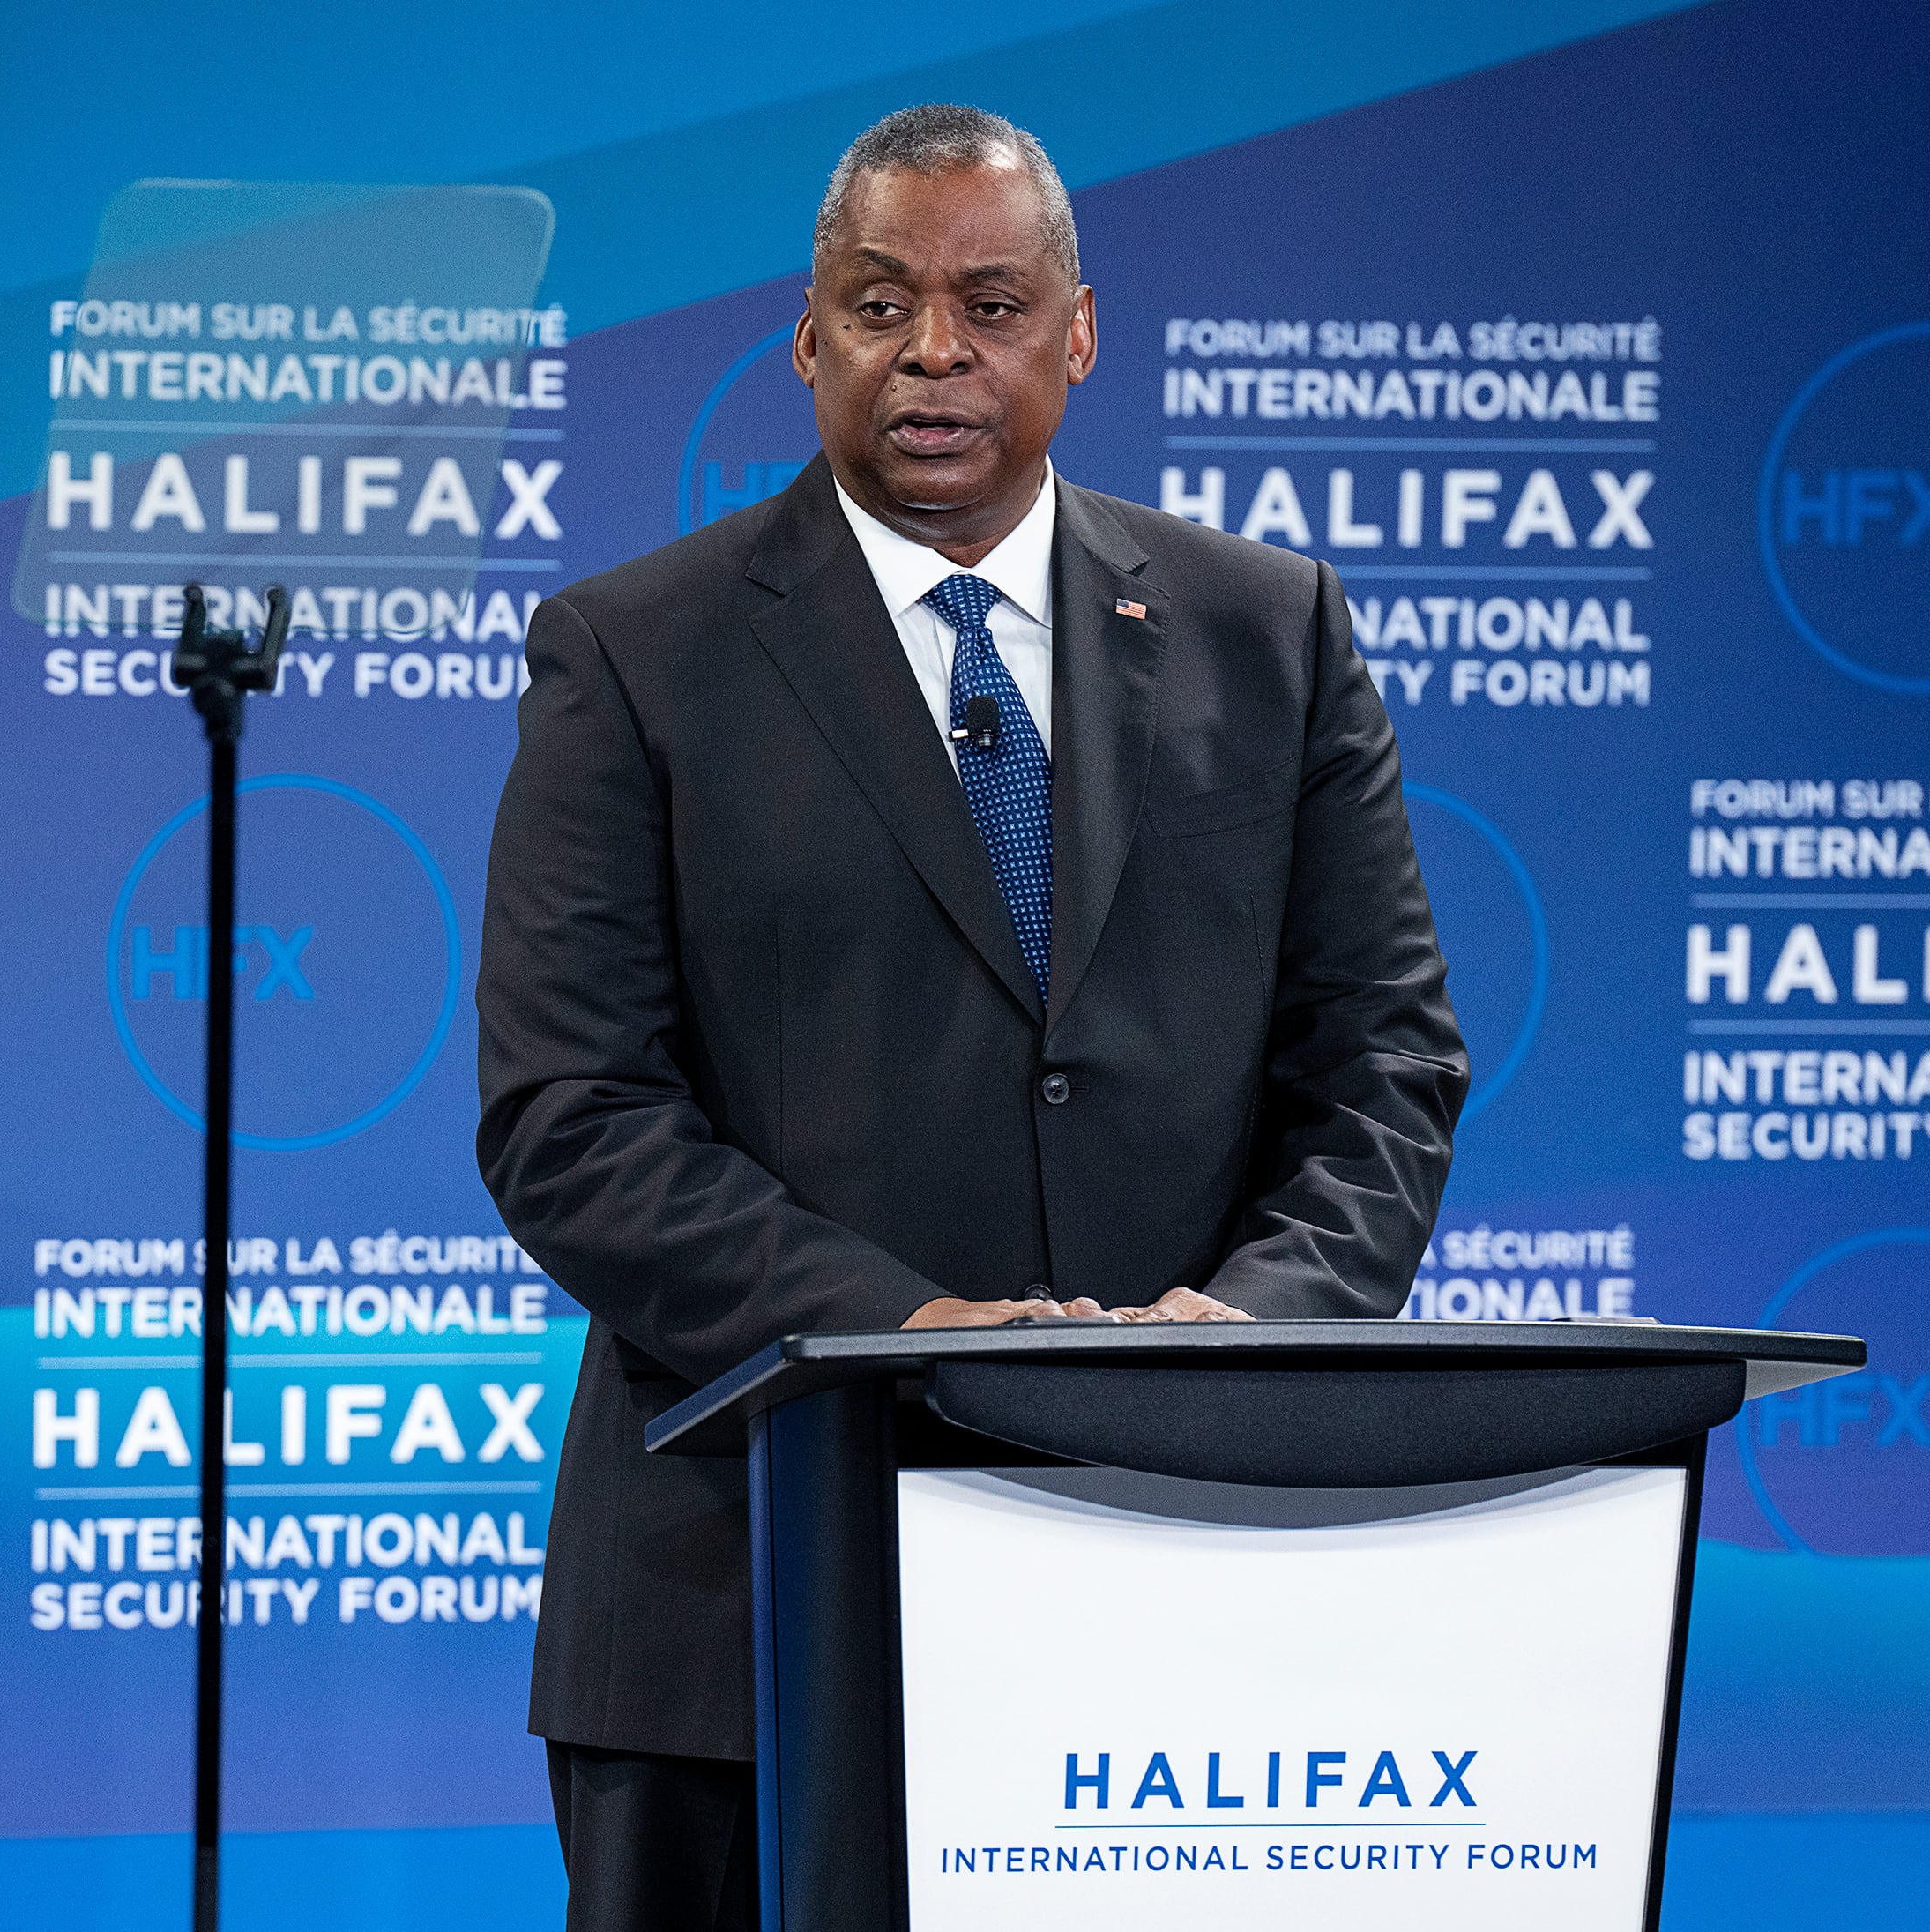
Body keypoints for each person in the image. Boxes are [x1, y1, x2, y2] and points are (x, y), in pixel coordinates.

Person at [476, 101, 1467, 1932]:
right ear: (808, 338)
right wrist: (905, 1331)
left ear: (1078, 333)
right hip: (740, 1615)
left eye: (992, 302)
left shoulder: (1277, 631)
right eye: (882, 302)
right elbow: (570, 1111)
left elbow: (1386, 1065)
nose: (935, 352)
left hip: (1175, 1580)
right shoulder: (636, 654)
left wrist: (1236, 1338)